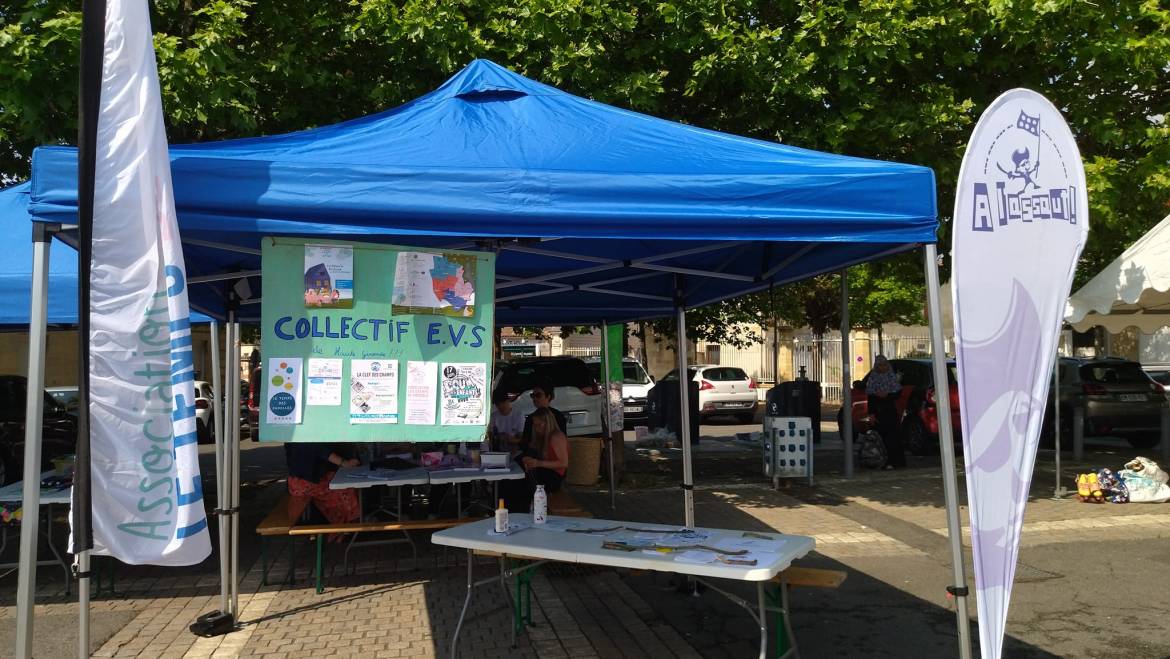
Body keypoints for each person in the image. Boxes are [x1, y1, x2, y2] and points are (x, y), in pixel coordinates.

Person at [502, 407, 569, 513]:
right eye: (535, 425)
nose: (537, 428)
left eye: (539, 425)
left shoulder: (556, 437)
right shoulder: (541, 437)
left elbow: (564, 463)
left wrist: (538, 463)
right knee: (515, 476)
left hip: (554, 476)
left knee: (519, 484)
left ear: (547, 423)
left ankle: (520, 509)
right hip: (545, 471)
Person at [285, 442, 361, 526]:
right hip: (306, 481)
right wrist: (343, 462)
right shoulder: (307, 435)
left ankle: (348, 527)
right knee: (346, 489)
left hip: (302, 479)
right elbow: (318, 449)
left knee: (346, 484)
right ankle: (349, 527)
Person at [866, 356, 905, 469]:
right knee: (881, 437)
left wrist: (887, 395)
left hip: (890, 412)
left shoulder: (891, 377)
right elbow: (871, 397)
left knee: (893, 437)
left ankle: (895, 462)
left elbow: (897, 393)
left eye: (884, 365)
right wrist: (871, 414)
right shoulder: (873, 378)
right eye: (879, 365)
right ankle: (881, 460)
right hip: (878, 413)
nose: (882, 368)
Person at [520, 378, 567, 449]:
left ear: (548, 396)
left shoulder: (558, 417)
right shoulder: (530, 418)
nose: (534, 399)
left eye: (538, 395)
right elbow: (525, 443)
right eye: (532, 395)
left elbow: (563, 442)